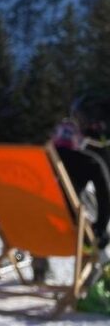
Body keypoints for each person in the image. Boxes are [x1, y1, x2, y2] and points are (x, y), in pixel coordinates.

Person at [32, 113, 110, 284]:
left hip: (27, 233)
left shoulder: (35, 160)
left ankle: (39, 268)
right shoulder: (89, 161)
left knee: (39, 213)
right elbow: (105, 197)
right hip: (72, 234)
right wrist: (101, 229)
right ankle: (83, 281)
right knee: (87, 219)